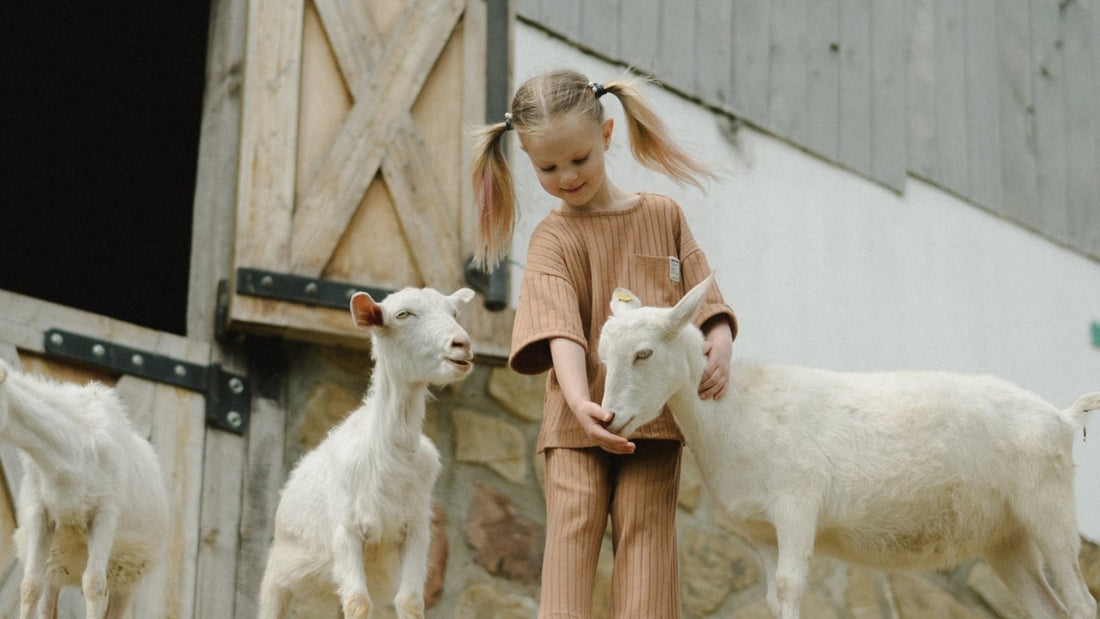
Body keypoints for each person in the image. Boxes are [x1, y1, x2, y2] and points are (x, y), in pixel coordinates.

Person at [471, 68, 737, 618]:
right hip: (575, 424)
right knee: (574, 522)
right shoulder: (553, 238)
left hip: (653, 421)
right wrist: (578, 403)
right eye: (547, 167)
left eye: (579, 159)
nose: (566, 176)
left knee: (647, 535)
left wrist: (719, 338)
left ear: (607, 136)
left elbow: (702, 292)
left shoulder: (664, 216)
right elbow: (560, 328)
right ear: (525, 156)